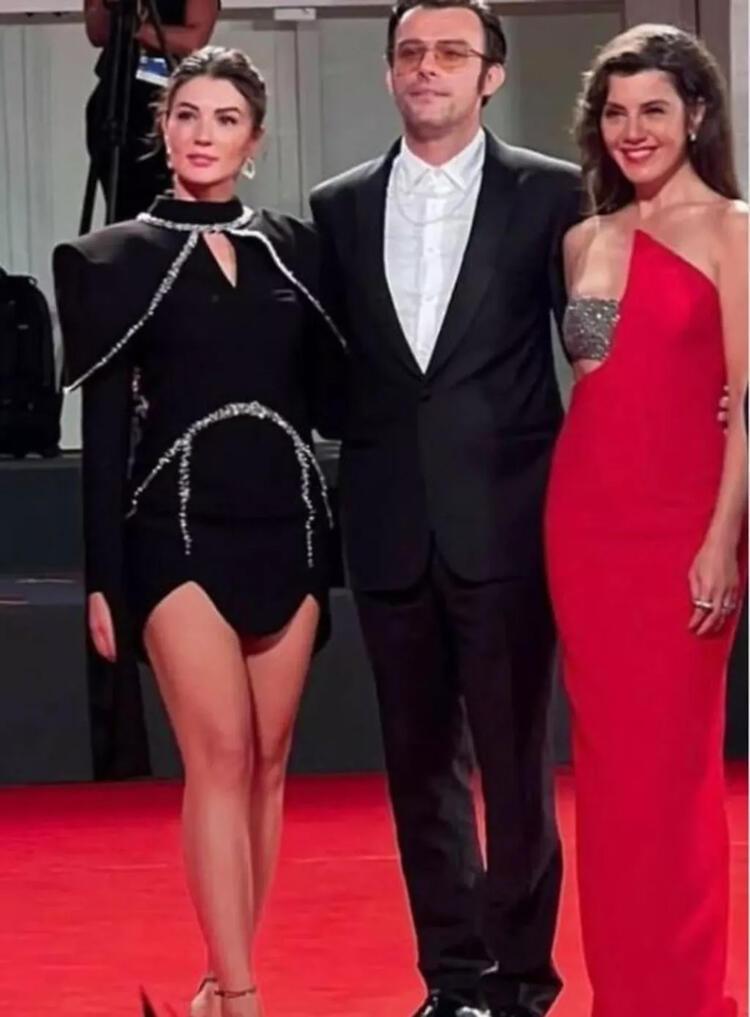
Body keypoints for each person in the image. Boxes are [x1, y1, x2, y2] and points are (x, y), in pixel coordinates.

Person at [54, 46, 345, 1017]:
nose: (203, 134)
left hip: (290, 526)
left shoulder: (298, 251)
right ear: (163, 129)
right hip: (171, 531)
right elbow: (101, 436)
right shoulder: (110, 259)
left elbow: (339, 393)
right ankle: (246, 995)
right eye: (187, 116)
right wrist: (103, 580)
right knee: (217, 755)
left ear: (254, 140)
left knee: (268, 762)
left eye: (225, 119)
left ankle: (219, 982)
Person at [310, 2, 582, 1014]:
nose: (428, 68)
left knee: (514, 771)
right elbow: (331, 366)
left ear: (490, 76)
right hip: (388, 526)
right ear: (390, 73)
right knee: (418, 770)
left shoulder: (552, 194)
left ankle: (522, 983)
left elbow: (590, 345)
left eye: (451, 53)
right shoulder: (338, 206)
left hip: (508, 524)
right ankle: (452, 977)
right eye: (411, 53)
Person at [544, 24, 747, 1017]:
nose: (633, 130)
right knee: (610, 780)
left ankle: (687, 998)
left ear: (696, 116)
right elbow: (597, 388)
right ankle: (623, 995)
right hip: (585, 527)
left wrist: (721, 540)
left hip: (683, 530)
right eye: (616, 112)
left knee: (672, 776)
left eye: (654, 110)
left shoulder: (735, 231)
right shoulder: (584, 237)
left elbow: (747, 402)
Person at [84, 0, 219, 221]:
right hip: (115, 99)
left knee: (163, 201)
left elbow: (194, 40)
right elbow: (97, 33)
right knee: (122, 206)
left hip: (165, 103)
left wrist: (138, 29)